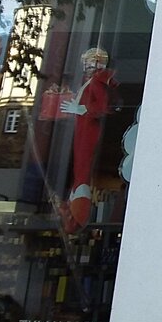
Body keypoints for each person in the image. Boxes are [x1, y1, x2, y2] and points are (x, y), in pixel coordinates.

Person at [58, 47, 118, 234]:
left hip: (89, 130)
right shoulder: (91, 82)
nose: (86, 65)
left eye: (90, 61)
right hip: (82, 129)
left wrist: (80, 109)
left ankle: (77, 213)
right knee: (80, 165)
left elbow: (103, 106)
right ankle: (75, 205)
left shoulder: (98, 82)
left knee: (83, 165)